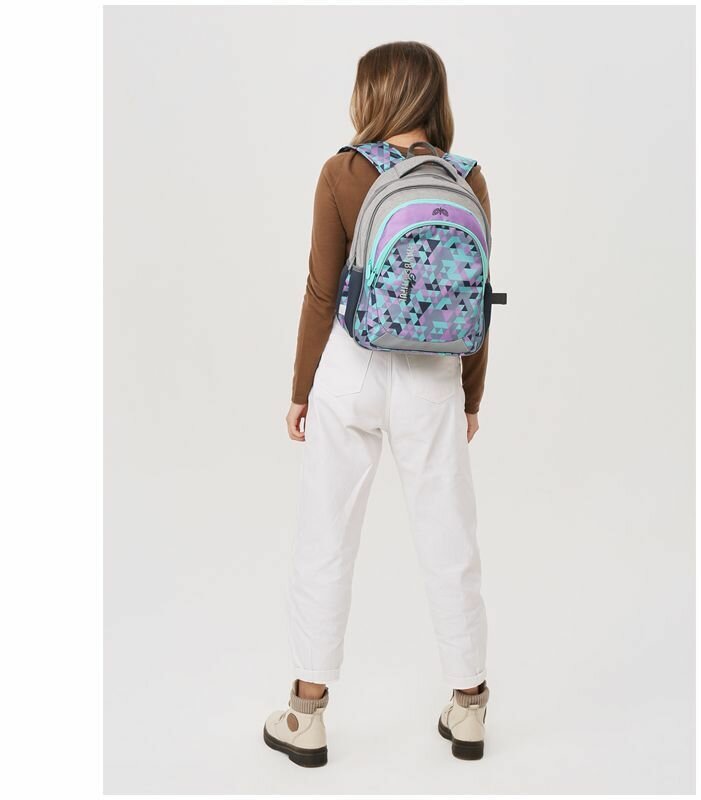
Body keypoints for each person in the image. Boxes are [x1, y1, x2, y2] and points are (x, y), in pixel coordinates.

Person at [263, 41, 492, 767]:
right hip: (434, 377)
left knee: (326, 534)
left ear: (373, 96)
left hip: (351, 367)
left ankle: (305, 714)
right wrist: (470, 395)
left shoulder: (342, 171)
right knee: (449, 537)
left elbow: (321, 290)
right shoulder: (467, 177)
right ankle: (469, 706)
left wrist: (300, 390)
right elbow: (476, 298)